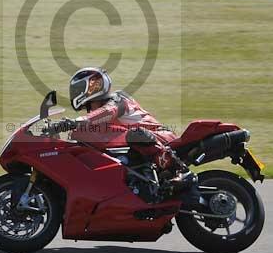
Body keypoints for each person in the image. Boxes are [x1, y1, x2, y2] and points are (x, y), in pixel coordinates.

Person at [49, 67, 191, 190]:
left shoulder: (118, 100)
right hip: (142, 146)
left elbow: (107, 112)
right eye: (75, 89)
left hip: (161, 138)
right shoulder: (94, 114)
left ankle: (180, 171)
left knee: (135, 134)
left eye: (79, 88)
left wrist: (75, 122)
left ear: (96, 86)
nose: (76, 92)